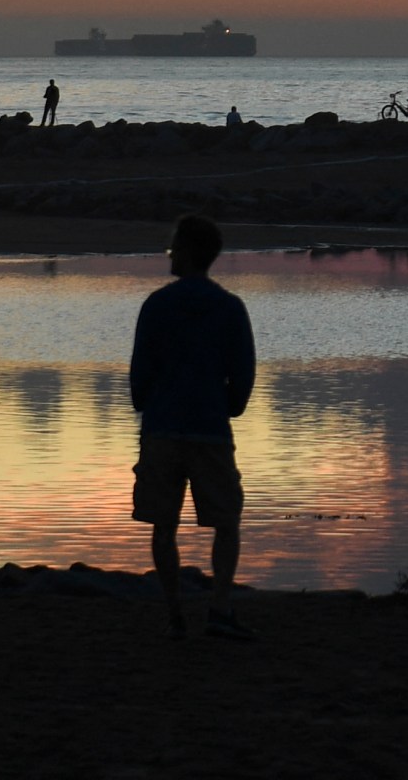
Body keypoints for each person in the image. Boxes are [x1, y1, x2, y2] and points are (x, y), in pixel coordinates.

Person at [129, 214, 258, 641]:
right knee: (226, 521)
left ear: (186, 252)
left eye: (172, 247)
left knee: (163, 524)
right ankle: (218, 607)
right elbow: (244, 374)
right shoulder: (229, 307)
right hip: (209, 427)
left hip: (164, 427)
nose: (169, 253)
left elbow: (139, 372)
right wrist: (229, 407)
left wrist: (147, 407)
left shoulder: (157, 305)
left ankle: (175, 614)